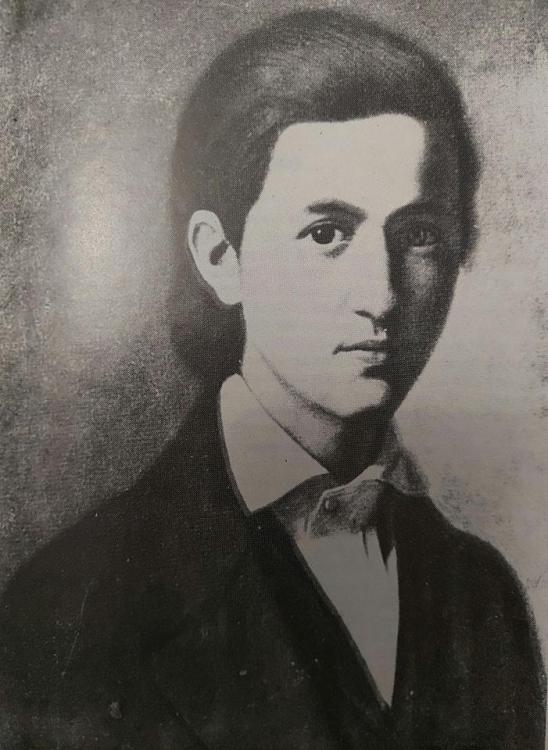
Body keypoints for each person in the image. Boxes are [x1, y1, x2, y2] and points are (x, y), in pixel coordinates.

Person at [0, 9, 544, 750]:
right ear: (220, 256)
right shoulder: (73, 603)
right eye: (327, 234)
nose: (381, 295)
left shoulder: (485, 596)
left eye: (418, 235)